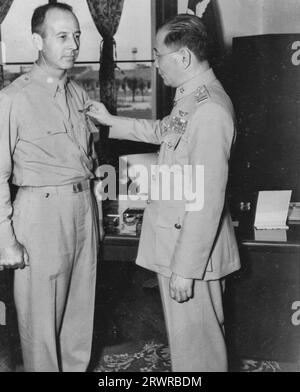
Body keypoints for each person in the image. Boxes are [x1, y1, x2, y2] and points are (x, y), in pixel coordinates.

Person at [87, 14, 240, 372]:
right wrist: (112, 121)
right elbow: (163, 131)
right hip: (178, 244)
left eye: (158, 56)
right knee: (190, 348)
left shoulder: (210, 110)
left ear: (183, 57)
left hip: (192, 254)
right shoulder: (192, 99)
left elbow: (206, 199)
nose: (155, 65)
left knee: (199, 356)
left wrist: (185, 269)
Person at [0, 3, 102, 372]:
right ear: (36, 41)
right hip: (40, 214)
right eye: (62, 36)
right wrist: (5, 239)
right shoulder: (13, 99)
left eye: (76, 35)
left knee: (79, 315)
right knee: (40, 322)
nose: (73, 44)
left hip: (82, 208)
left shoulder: (77, 93)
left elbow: (88, 159)